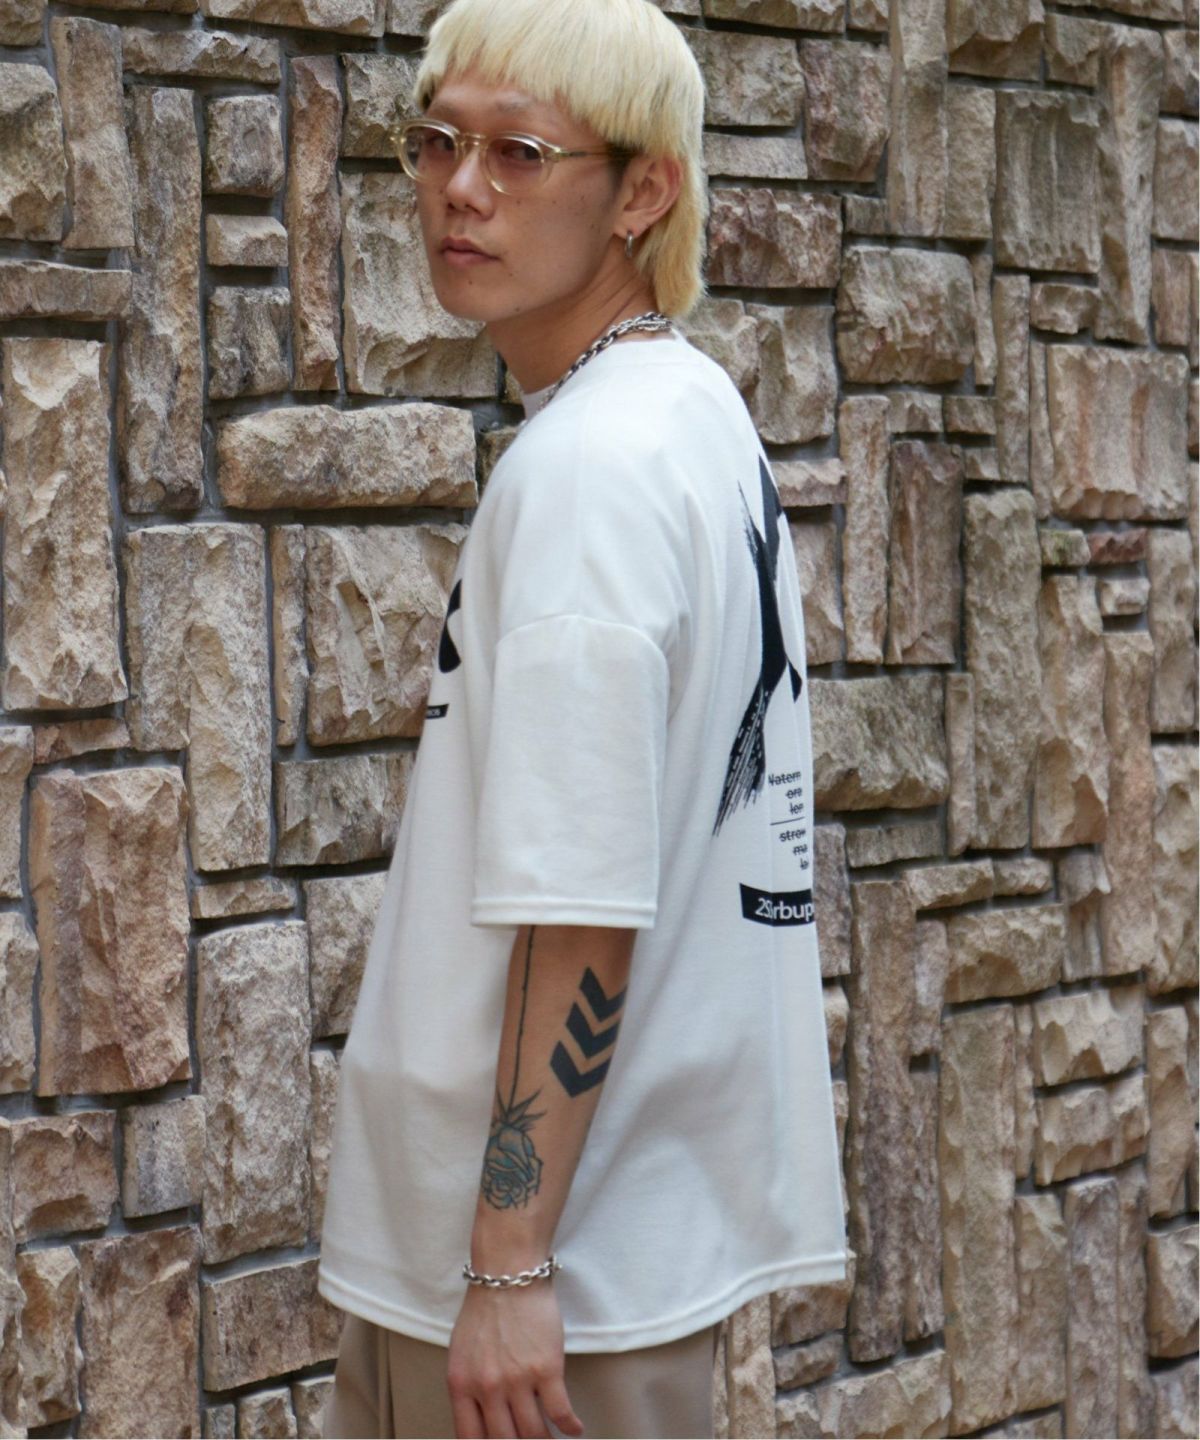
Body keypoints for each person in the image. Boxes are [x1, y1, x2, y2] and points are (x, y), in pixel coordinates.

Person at [317, 1, 849, 1436]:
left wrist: (508, 1262)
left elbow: (583, 900)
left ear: (643, 191)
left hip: (527, 1295)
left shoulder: (586, 473)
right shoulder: (689, 415)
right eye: (438, 141)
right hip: (619, 1257)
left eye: (521, 152)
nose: (461, 188)